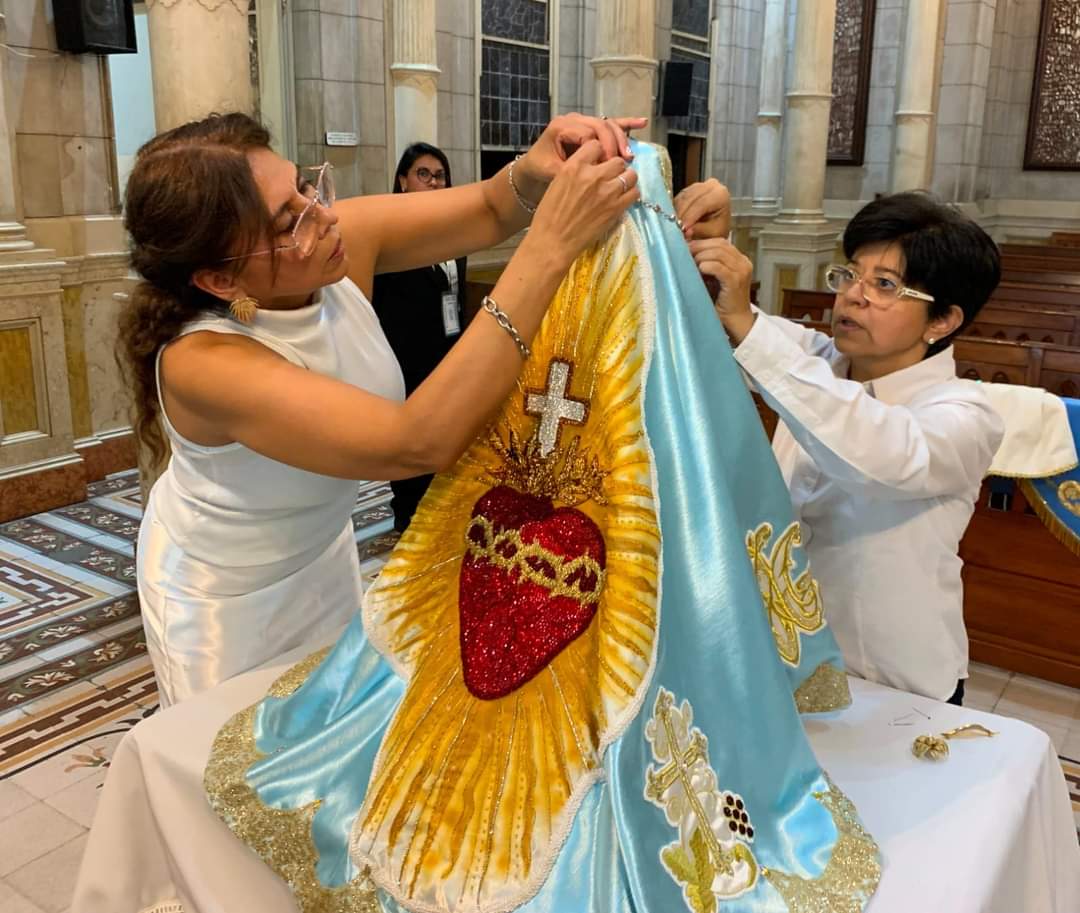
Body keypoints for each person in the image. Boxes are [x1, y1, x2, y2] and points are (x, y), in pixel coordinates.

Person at [120, 112, 733, 708]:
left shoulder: (338, 244)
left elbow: (494, 207)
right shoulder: (203, 364)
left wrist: (538, 164)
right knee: (233, 765)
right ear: (220, 281)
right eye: (289, 221)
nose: (324, 214)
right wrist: (549, 247)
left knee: (321, 732)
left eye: (307, 185)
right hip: (226, 593)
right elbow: (418, 441)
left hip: (323, 553)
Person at [691, 191, 1005, 704]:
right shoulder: (818, 362)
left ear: (943, 321)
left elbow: (877, 455)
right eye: (850, 275)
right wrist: (705, 247)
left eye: (885, 285)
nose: (853, 296)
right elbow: (722, 324)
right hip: (778, 660)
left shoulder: (966, 416)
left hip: (890, 681)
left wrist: (747, 326)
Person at [371, 142, 469, 531]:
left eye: (439, 175)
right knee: (412, 442)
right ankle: (407, 520)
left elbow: (454, 296)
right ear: (403, 181)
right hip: (405, 354)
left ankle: (441, 517)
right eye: (423, 174)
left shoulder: (456, 236)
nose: (432, 182)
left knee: (446, 437)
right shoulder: (390, 236)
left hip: (447, 351)